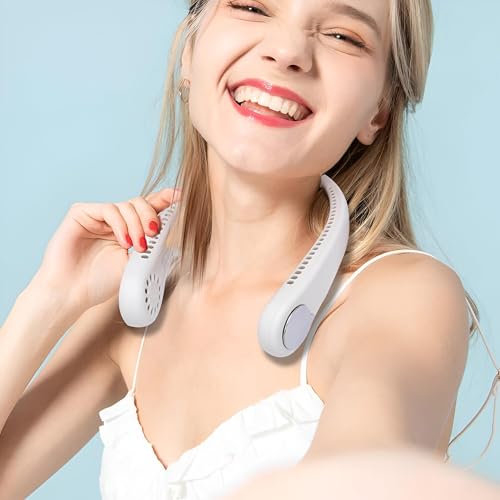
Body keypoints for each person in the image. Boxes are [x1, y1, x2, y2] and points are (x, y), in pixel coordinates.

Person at [0, 1, 499, 499]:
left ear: (379, 111)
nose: (287, 51)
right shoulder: (132, 306)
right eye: (252, 6)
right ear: (189, 54)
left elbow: (356, 479)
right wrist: (47, 301)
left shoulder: (403, 297)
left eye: (344, 36)